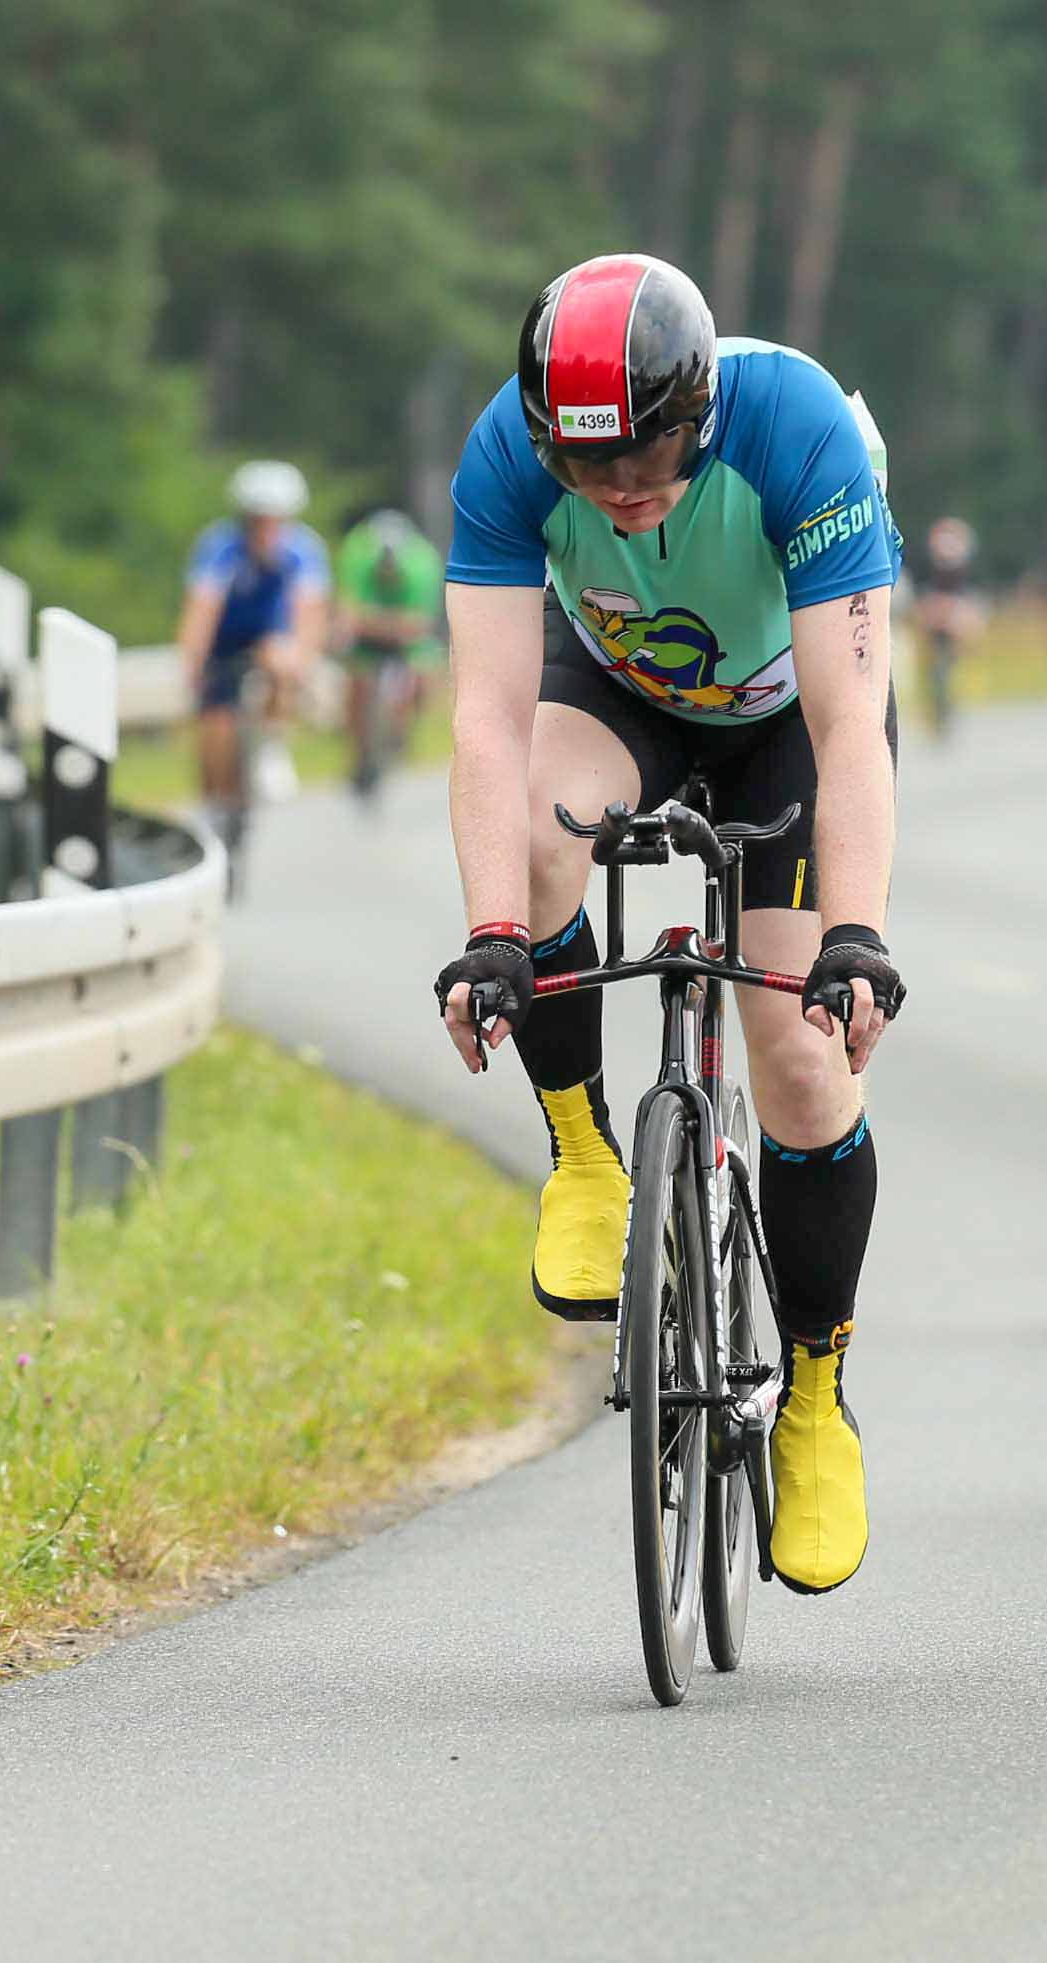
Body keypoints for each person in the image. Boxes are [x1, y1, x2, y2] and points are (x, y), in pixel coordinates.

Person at [429, 253, 905, 1591]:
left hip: (786, 730)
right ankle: (586, 1156)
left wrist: (855, 936)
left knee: (802, 1055)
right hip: (620, 697)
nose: (622, 487)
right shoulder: (507, 455)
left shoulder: (797, 428)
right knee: (535, 838)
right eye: (588, 468)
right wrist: (494, 935)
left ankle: (815, 1393)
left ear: (699, 411)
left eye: (649, 451)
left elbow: (849, 726)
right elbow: (484, 717)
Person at [175, 461, 331, 850]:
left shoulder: (303, 550)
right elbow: (201, 609)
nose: (267, 530)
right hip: (224, 639)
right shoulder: (219, 546)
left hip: (270, 635)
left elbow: (309, 613)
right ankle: (214, 805)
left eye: (276, 521)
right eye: (259, 521)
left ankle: (273, 746)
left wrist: (302, 659)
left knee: (281, 660)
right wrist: (192, 663)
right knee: (215, 728)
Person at [333, 506, 445, 800]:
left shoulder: (423, 563)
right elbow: (347, 615)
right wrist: (365, 626)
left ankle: (400, 730)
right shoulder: (356, 553)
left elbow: (417, 627)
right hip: (370, 637)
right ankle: (358, 750)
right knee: (355, 679)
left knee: (422, 677)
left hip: (400, 637)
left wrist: (370, 621)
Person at [908, 513, 984, 742]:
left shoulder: (960, 567)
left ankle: (944, 711)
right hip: (936, 618)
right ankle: (938, 711)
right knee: (936, 670)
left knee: (945, 667)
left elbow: (966, 598)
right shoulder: (929, 565)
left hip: (951, 616)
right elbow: (924, 598)